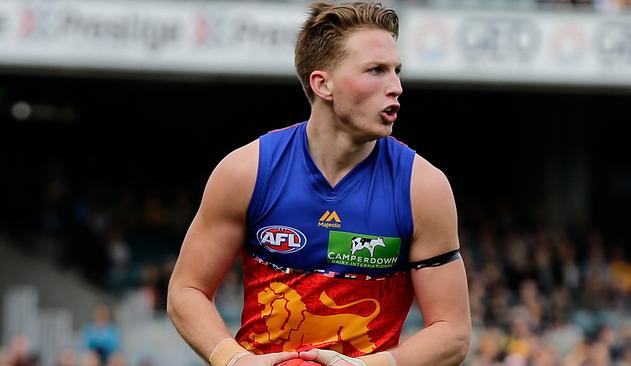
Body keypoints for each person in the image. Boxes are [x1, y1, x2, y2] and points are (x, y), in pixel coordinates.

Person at [167, 2, 471, 366]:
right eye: (376, 70)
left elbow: (452, 332)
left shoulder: (423, 187)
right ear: (322, 83)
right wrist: (234, 360)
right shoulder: (246, 171)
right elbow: (186, 291)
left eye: (396, 71)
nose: (397, 87)